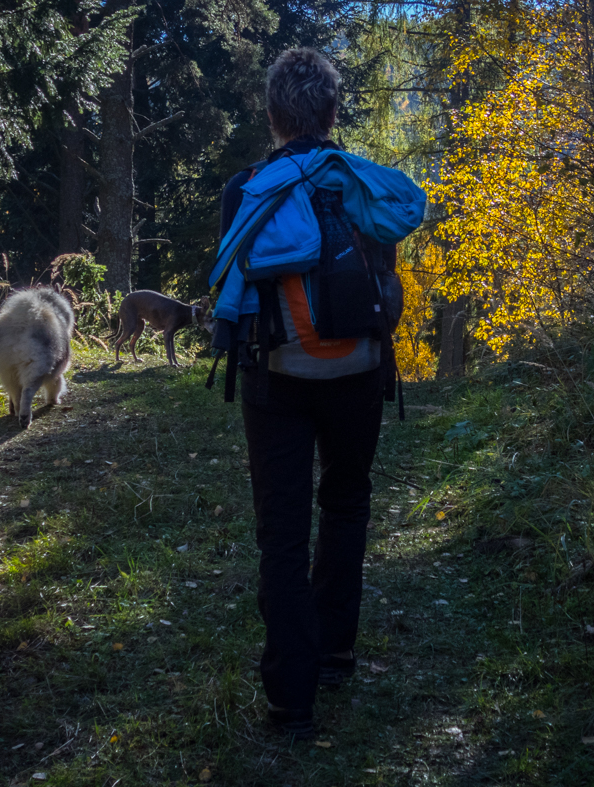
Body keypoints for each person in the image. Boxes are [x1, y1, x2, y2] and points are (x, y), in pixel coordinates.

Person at [217, 47, 405, 739]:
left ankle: (291, 697)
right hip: (358, 368)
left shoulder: (246, 188)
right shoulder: (360, 183)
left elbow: (232, 288)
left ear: (272, 117)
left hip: (278, 376)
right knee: (347, 501)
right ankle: (334, 650)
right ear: (331, 112)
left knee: (282, 530)